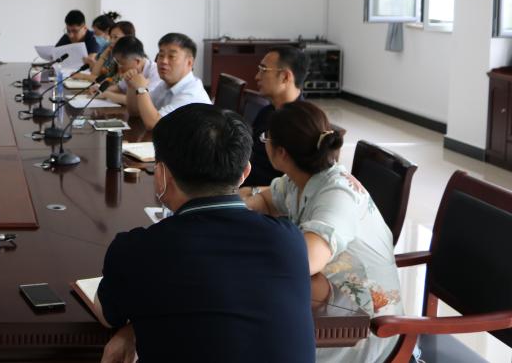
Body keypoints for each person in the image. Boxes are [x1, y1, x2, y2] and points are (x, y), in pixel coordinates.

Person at [96, 104, 315, 363]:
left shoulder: (137, 250)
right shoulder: (290, 240)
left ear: (161, 174)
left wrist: (134, 325)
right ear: (245, 172)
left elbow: (108, 315)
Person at [245, 101, 401, 363]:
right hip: (329, 300)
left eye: (266, 139)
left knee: (253, 337)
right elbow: (267, 200)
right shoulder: (299, 180)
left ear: (281, 153)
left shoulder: (338, 193)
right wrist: (231, 206)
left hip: (365, 328)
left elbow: (307, 260)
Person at [242, 45, 308, 187]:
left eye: (263, 70)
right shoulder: (266, 112)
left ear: (285, 77)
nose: (257, 76)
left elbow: (297, 185)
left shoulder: (303, 124)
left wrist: (254, 192)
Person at [125, 33, 211, 130]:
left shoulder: (191, 93)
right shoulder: (166, 84)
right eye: (161, 55)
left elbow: (155, 124)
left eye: (171, 56)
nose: (164, 61)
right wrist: (131, 86)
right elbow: (135, 112)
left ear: (189, 62)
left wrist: (141, 89)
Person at [95, 35, 159, 106]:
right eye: (117, 63)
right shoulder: (132, 70)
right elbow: (120, 88)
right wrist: (99, 90)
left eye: (122, 64)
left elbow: (144, 100)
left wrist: (107, 95)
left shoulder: (156, 71)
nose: (119, 67)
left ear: (137, 61)